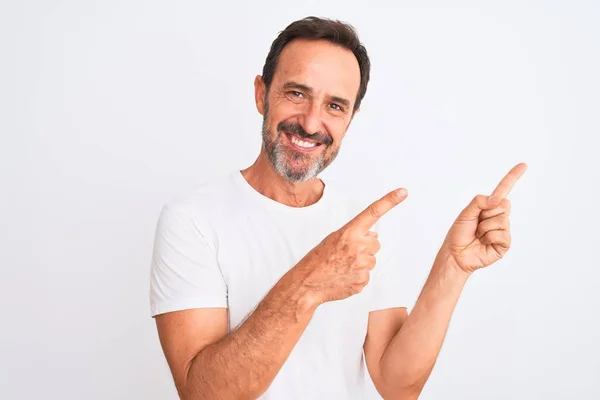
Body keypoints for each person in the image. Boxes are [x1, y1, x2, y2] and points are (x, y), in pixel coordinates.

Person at [149, 16, 527, 400]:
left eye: (334, 106)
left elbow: (397, 385)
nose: (312, 123)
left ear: (350, 118)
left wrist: (453, 266)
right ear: (262, 94)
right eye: (296, 93)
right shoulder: (192, 220)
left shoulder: (364, 227)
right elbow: (204, 395)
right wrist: (312, 281)